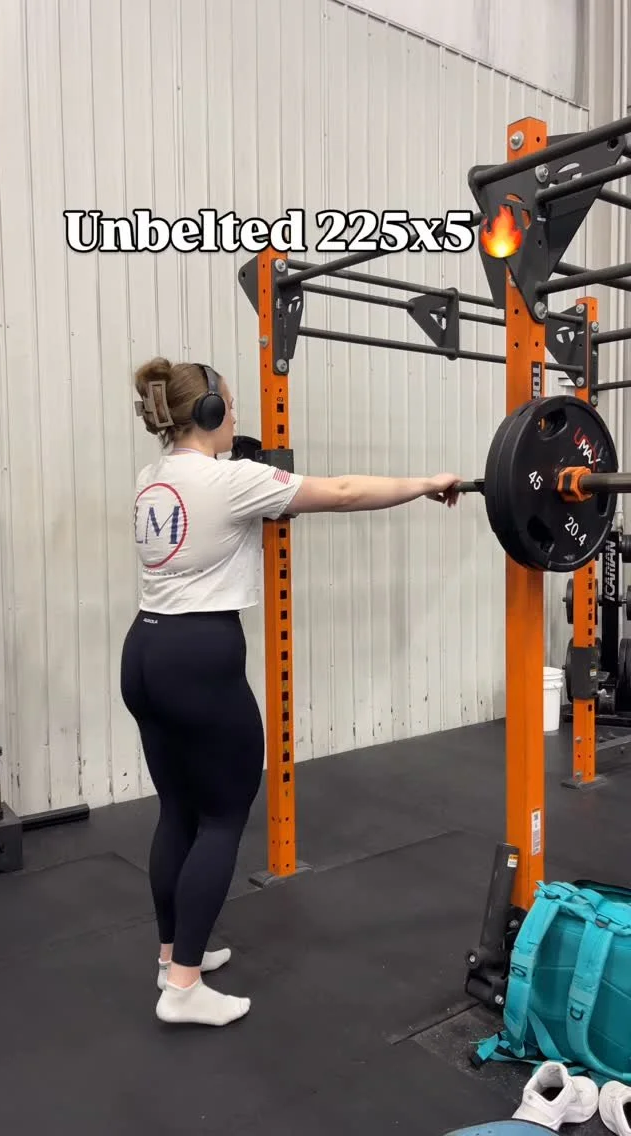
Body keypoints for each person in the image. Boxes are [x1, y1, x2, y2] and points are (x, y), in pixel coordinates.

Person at [120, 356, 462, 1029]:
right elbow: (343, 492)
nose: (238, 416)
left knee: (177, 812)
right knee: (223, 818)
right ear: (210, 414)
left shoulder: (150, 478)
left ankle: (173, 956)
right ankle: (183, 989)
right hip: (201, 657)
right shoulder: (232, 481)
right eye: (231, 406)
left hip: (145, 651)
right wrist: (426, 483)